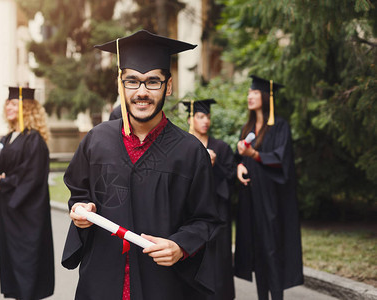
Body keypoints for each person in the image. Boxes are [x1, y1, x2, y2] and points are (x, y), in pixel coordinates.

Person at [61, 30, 221, 300]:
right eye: (132, 81)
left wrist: (180, 246)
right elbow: (79, 194)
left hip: (163, 285)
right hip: (102, 281)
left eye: (153, 82)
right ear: (120, 85)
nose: (142, 92)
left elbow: (206, 219)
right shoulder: (96, 140)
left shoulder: (190, 151)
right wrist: (80, 210)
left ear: (168, 86)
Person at [0, 87, 54, 300]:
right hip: (8, 210)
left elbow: (33, 176)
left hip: (26, 212)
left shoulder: (34, 139)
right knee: (11, 259)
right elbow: (2, 166)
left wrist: (6, 180)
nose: (8, 107)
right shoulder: (8, 137)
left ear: (28, 109)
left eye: (14, 104)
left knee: (27, 260)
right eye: (8, 104)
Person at [234, 75, 303, 300]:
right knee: (258, 252)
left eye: (254, 92)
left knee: (272, 250)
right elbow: (242, 160)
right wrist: (240, 167)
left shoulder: (279, 126)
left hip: (272, 201)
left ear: (265, 96)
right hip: (252, 198)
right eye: (249, 92)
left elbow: (282, 159)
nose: (249, 96)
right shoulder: (248, 127)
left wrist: (253, 154)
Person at [182, 99, 236, 300]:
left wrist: (214, 164)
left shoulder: (221, 148)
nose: (206, 121)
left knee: (220, 260)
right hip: (190, 214)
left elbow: (230, 179)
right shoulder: (184, 147)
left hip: (218, 213)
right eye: (201, 117)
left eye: (208, 117)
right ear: (190, 119)